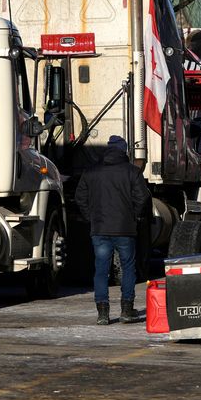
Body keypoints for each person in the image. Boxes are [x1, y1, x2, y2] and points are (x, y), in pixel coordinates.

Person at [75, 135, 150, 325]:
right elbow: (142, 197)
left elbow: (80, 197)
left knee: (101, 270)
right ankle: (126, 310)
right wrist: (133, 215)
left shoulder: (91, 172)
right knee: (128, 268)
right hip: (125, 229)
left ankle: (102, 313)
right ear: (124, 151)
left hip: (99, 228)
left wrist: (90, 217)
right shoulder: (132, 172)